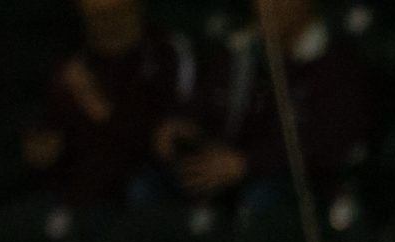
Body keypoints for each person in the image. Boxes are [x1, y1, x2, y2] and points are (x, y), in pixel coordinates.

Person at [154, 0, 371, 212]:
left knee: (262, 197)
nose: (269, 6)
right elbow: (205, 101)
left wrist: (248, 163)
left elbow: (325, 145)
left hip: (298, 181)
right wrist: (182, 123)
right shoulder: (242, 51)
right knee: (155, 185)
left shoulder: (335, 62)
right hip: (227, 167)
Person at [24, 0, 197, 207]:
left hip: (135, 191)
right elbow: (49, 133)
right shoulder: (74, 64)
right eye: (95, 16)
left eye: (114, 13)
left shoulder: (165, 54)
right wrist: (42, 150)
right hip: (73, 194)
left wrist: (94, 102)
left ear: (135, 9)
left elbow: (164, 141)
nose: (105, 24)